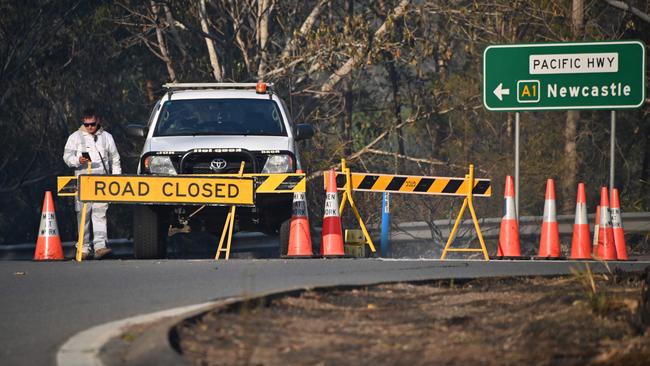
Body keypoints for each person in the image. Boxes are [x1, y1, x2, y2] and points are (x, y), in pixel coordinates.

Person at [63, 108, 122, 260]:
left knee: (100, 213)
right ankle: (83, 248)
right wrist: (77, 160)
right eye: (86, 124)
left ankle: (100, 247)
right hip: (83, 181)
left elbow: (115, 159)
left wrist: (117, 179)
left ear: (98, 121)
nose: (90, 127)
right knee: (83, 214)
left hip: (102, 182)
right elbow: (67, 156)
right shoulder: (75, 137)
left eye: (93, 124)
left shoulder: (107, 137)